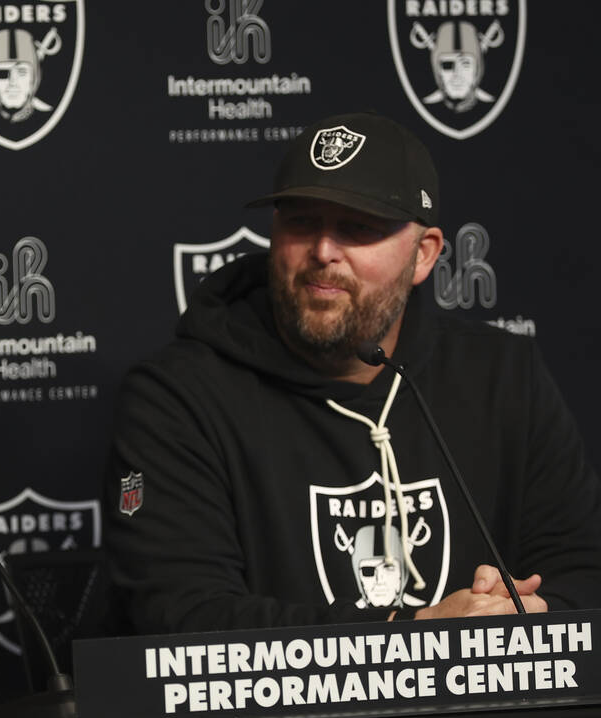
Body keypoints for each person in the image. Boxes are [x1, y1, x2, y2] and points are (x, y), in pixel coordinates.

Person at [103, 110, 601, 634]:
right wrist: (422, 635)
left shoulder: (502, 375)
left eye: (358, 228)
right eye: (300, 222)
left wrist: (518, 615)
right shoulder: (177, 396)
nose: (322, 252)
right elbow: (184, 615)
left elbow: (583, 570)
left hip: (488, 710)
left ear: (425, 255)